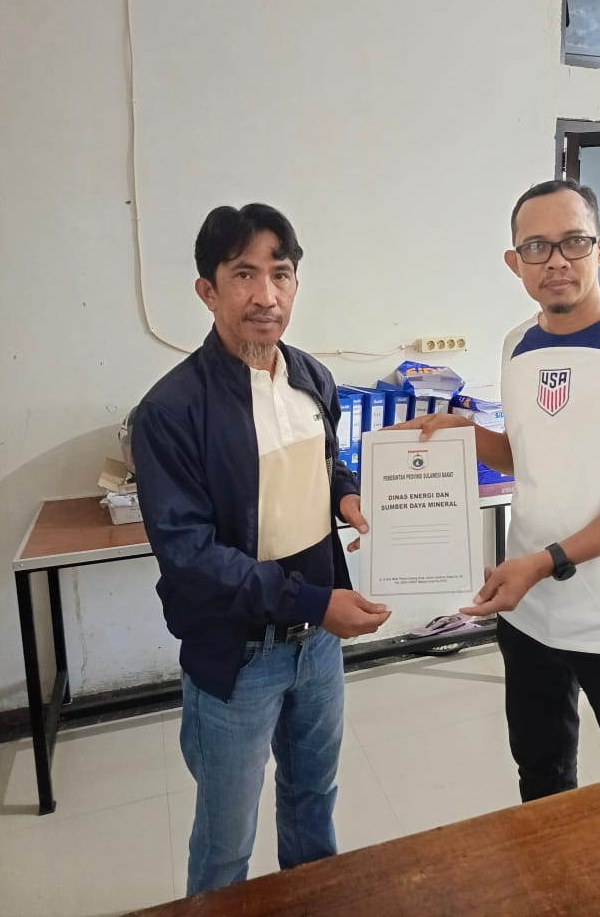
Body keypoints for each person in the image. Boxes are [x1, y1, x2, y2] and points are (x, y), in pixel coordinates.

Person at [401, 178, 600, 801]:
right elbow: (529, 457)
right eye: (536, 247)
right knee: (541, 780)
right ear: (515, 263)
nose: (556, 260)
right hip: (530, 610)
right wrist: (467, 434)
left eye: (574, 242)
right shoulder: (517, 344)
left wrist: (546, 560)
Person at [132, 203, 390, 895]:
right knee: (226, 838)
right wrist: (315, 601)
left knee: (313, 801)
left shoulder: (313, 379)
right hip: (239, 655)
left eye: (281, 273)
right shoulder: (170, 411)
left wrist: (346, 495)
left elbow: (323, 463)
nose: (266, 295)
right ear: (207, 290)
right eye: (243, 274)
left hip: (319, 648)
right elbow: (190, 557)